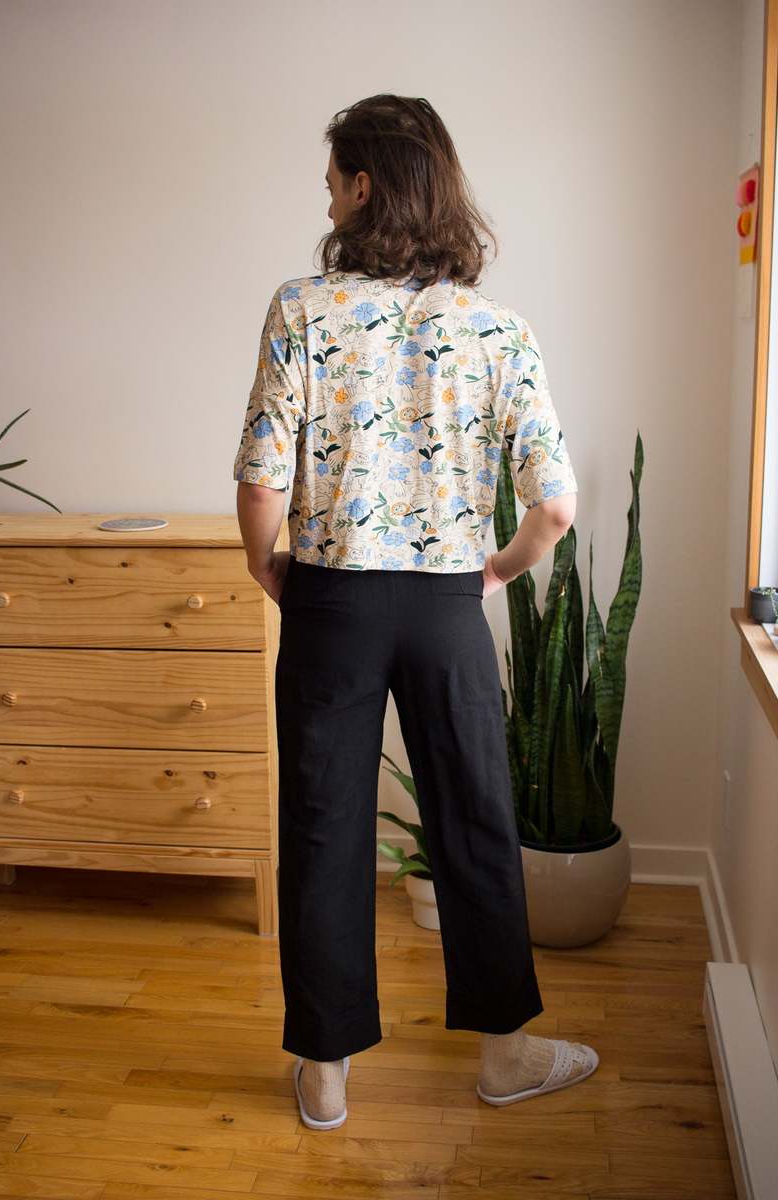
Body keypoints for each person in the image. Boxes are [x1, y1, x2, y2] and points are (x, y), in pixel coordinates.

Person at [234, 93, 599, 1131]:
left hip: (331, 604)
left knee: (322, 827)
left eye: (332, 182)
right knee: (475, 821)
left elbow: (261, 478)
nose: (327, 201)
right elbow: (556, 507)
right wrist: (493, 576)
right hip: (444, 607)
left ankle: (326, 1073)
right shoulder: (497, 329)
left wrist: (268, 568)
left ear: (362, 187)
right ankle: (505, 1057)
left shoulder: (301, 309)